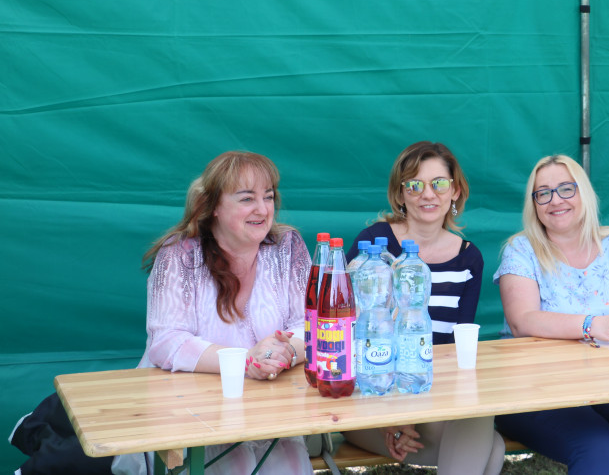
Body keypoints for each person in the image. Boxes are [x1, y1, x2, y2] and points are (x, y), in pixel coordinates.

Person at [114, 151, 312, 475]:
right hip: (186, 413)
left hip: (267, 410)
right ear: (213, 206)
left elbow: (313, 323)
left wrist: (285, 351)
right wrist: (246, 360)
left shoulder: (287, 247)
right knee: (234, 464)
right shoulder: (179, 255)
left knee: (290, 462)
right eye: (247, 198)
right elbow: (166, 342)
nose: (262, 209)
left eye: (268, 197)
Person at [493, 154, 609, 475]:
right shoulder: (521, 250)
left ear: (584, 193)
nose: (556, 200)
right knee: (596, 445)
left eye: (566, 189)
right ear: (534, 204)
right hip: (537, 388)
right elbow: (522, 320)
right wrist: (592, 325)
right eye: (544, 193)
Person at [342, 141, 504, 475]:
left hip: (431, 396)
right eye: (414, 185)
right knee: (491, 445)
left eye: (439, 184)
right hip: (370, 399)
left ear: (455, 191)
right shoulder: (373, 246)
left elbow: (455, 348)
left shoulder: (469, 258)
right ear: (400, 194)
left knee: (487, 436)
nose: (427, 194)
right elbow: (344, 333)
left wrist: (416, 412)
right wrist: (391, 419)